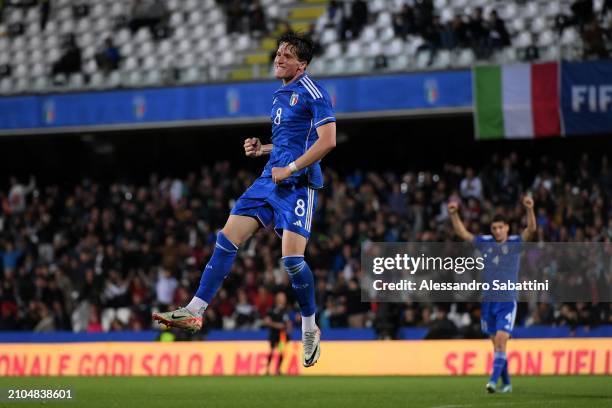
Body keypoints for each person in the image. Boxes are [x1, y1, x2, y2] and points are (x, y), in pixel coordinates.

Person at [153, 31, 336, 368]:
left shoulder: (313, 91)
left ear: (302, 65)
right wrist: (263, 149)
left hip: (298, 184)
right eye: (278, 53)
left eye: (287, 55)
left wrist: (292, 168)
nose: (278, 59)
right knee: (226, 237)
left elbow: (328, 141)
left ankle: (310, 327)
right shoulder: (280, 95)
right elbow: (289, 143)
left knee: (292, 261)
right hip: (269, 179)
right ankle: (195, 311)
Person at [448, 196, 536, 393]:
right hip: (488, 301)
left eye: (500, 227)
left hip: (507, 300)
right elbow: (462, 233)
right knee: (496, 345)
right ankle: (507, 383)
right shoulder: (485, 242)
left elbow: (531, 230)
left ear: (507, 228)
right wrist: (454, 213)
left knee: (502, 340)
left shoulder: (515, 243)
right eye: (494, 228)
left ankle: (492, 381)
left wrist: (530, 209)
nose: (497, 231)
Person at [262, 292, 292, 375]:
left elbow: (288, 322)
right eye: (282, 297)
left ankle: (278, 369)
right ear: (278, 298)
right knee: (271, 351)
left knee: (281, 351)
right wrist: (276, 325)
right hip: (273, 334)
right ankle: (267, 369)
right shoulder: (272, 309)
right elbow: (266, 321)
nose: (284, 299)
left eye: (284, 297)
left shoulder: (286, 310)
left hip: (282, 335)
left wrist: (289, 327)